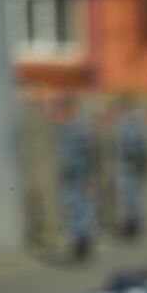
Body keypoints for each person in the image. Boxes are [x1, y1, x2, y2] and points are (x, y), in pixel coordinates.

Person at [56, 97, 98, 262]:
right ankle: (79, 244)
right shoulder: (64, 129)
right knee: (73, 211)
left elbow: (91, 154)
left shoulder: (83, 128)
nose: (62, 112)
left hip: (82, 176)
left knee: (84, 212)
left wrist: (90, 176)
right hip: (69, 176)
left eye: (64, 108)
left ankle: (84, 245)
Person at [110, 98, 147, 239]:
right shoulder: (135, 124)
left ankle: (133, 225)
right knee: (133, 196)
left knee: (131, 196)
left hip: (129, 165)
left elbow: (132, 147)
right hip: (132, 165)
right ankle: (134, 224)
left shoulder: (129, 125)